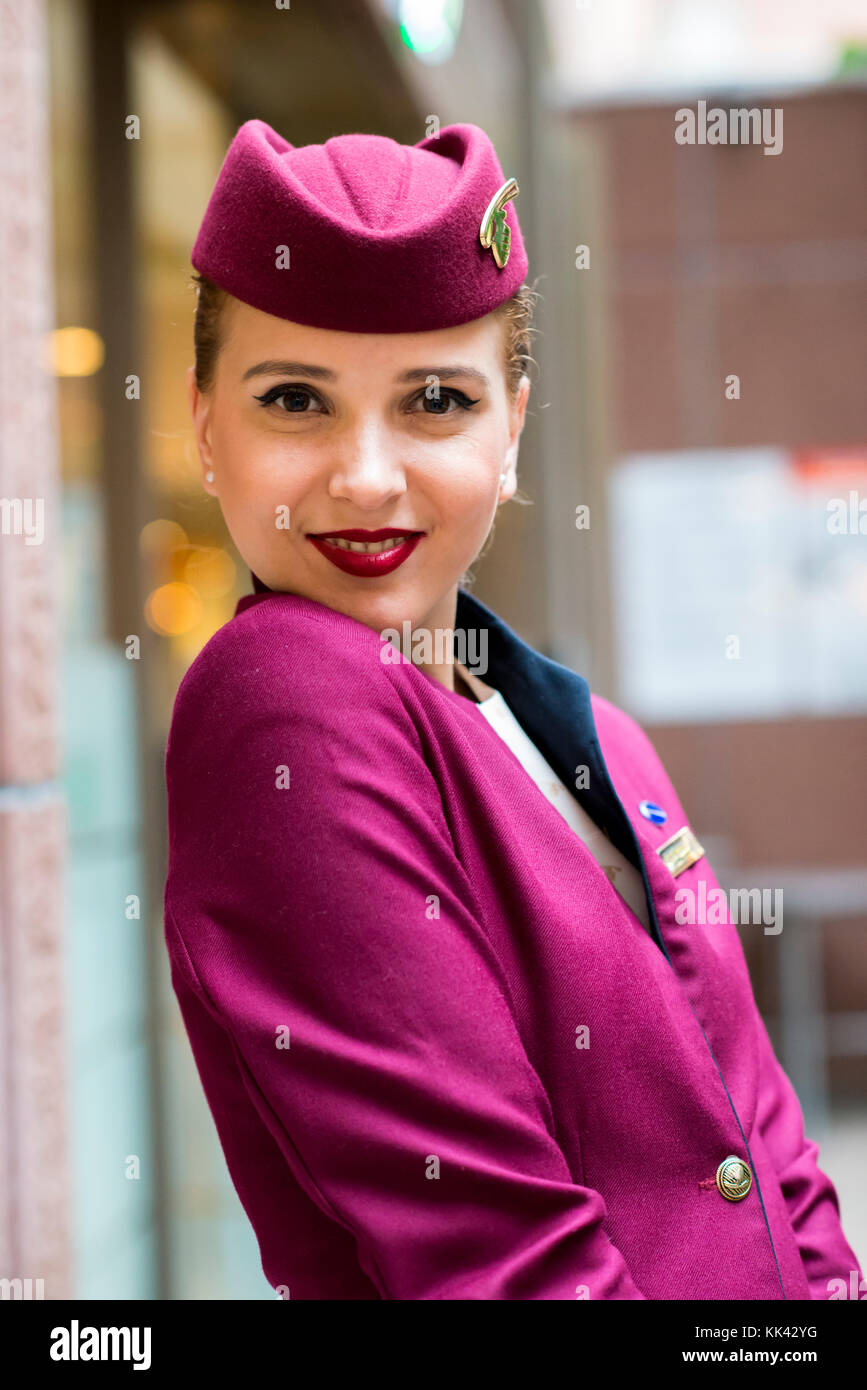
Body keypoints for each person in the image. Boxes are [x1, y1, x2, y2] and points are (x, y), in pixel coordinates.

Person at [163, 118, 863, 1300]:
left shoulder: (584, 734)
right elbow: (499, 1262)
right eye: (296, 400)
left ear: (514, 426)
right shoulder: (282, 700)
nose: (367, 475)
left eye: (435, 399)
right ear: (202, 423)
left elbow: (767, 1142)